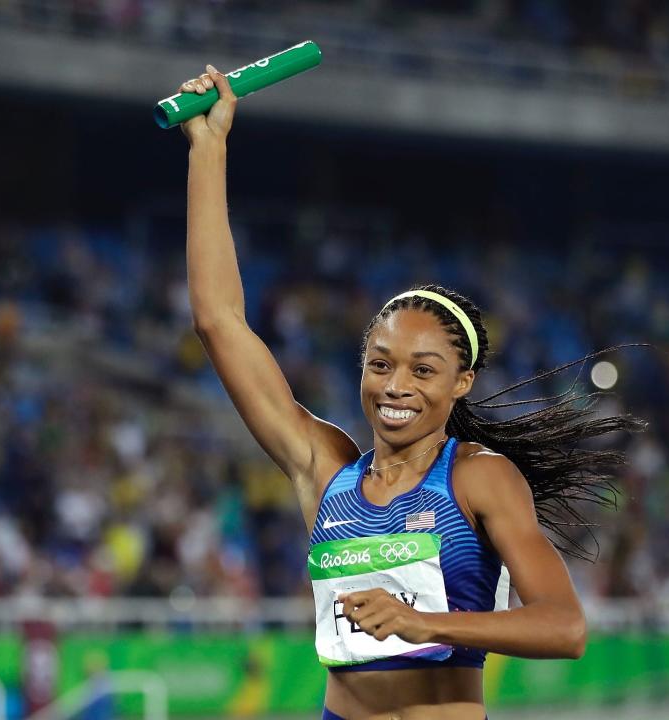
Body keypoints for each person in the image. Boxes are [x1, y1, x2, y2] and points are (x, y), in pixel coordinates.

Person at [179, 65, 645, 720]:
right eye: (380, 363)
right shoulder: (326, 470)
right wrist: (210, 149)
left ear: (461, 383)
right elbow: (218, 321)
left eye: (423, 370)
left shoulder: (479, 479)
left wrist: (426, 624)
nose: (395, 385)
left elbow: (564, 628)